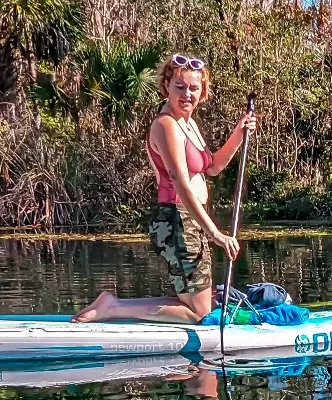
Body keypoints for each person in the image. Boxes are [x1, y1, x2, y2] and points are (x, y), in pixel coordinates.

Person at [71, 54, 257, 324]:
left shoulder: (188, 124)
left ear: (202, 93)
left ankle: (113, 305)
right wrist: (216, 233)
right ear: (166, 86)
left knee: (198, 305)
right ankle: (112, 308)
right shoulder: (166, 124)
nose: (187, 94)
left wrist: (239, 134)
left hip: (189, 219)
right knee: (200, 313)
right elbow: (180, 182)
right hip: (175, 218)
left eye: (193, 88)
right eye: (179, 87)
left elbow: (213, 166)